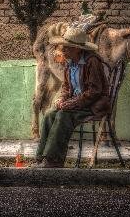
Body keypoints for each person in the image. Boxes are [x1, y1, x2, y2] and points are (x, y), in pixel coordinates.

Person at [34, 27, 110, 168]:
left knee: (63, 115)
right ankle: (41, 158)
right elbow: (67, 87)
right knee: (50, 114)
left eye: (67, 47)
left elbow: (95, 91)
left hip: (92, 104)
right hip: (77, 104)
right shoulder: (70, 62)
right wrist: (62, 99)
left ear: (77, 49)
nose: (63, 50)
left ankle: (53, 161)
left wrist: (73, 103)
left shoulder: (92, 61)